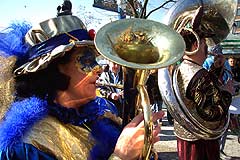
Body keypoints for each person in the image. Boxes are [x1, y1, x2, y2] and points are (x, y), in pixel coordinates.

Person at [0, 2, 164, 160]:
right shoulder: (28, 145)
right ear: (54, 71)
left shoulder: (104, 114)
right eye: (86, 61)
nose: (98, 69)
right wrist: (121, 155)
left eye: (95, 61)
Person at [172, 27, 233, 159]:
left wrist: (215, 69)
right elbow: (211, 113)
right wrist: (227, 94)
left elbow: (198, 92)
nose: (207, 48)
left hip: (186, 136)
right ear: (196, 45)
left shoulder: (180, 68)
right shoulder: (199, 74)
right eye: (205, 43)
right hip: (200, 142)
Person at [203, 44, 235, 160]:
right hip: (214, 96)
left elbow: (229, 75)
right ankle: (217, 150)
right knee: (216, 124)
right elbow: (206, 78)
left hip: (222, 94)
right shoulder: (207, 61)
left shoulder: (224, 61)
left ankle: (219, 149)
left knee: (223, 124)